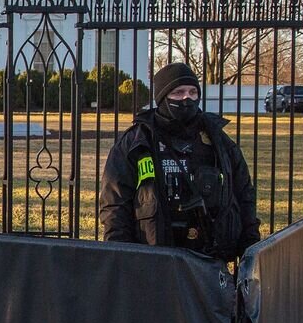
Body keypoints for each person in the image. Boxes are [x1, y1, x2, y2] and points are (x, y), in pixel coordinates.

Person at [99, 62, 260, 262]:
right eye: (178, 92)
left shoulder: (218, 140)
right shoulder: (137, 142)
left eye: (193, 92)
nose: (187, 98)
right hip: (153, 256)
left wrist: (250, 245)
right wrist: (119, 253)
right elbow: (115, 202)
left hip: (210, 256)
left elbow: (244, 192)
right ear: (162, 97)